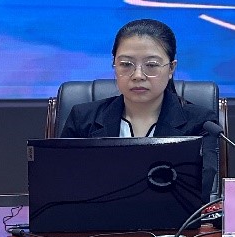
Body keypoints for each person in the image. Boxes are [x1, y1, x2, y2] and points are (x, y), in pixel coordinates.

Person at [59, 18, 221, 202]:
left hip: (172, 219)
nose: (137, 75)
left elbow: (197, 191)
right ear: (114, 66)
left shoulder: (200, 124)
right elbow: (62, 184)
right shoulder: (83, 119)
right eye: (126, 64)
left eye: (151, 65)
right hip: (94, 219)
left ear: (171, 68)